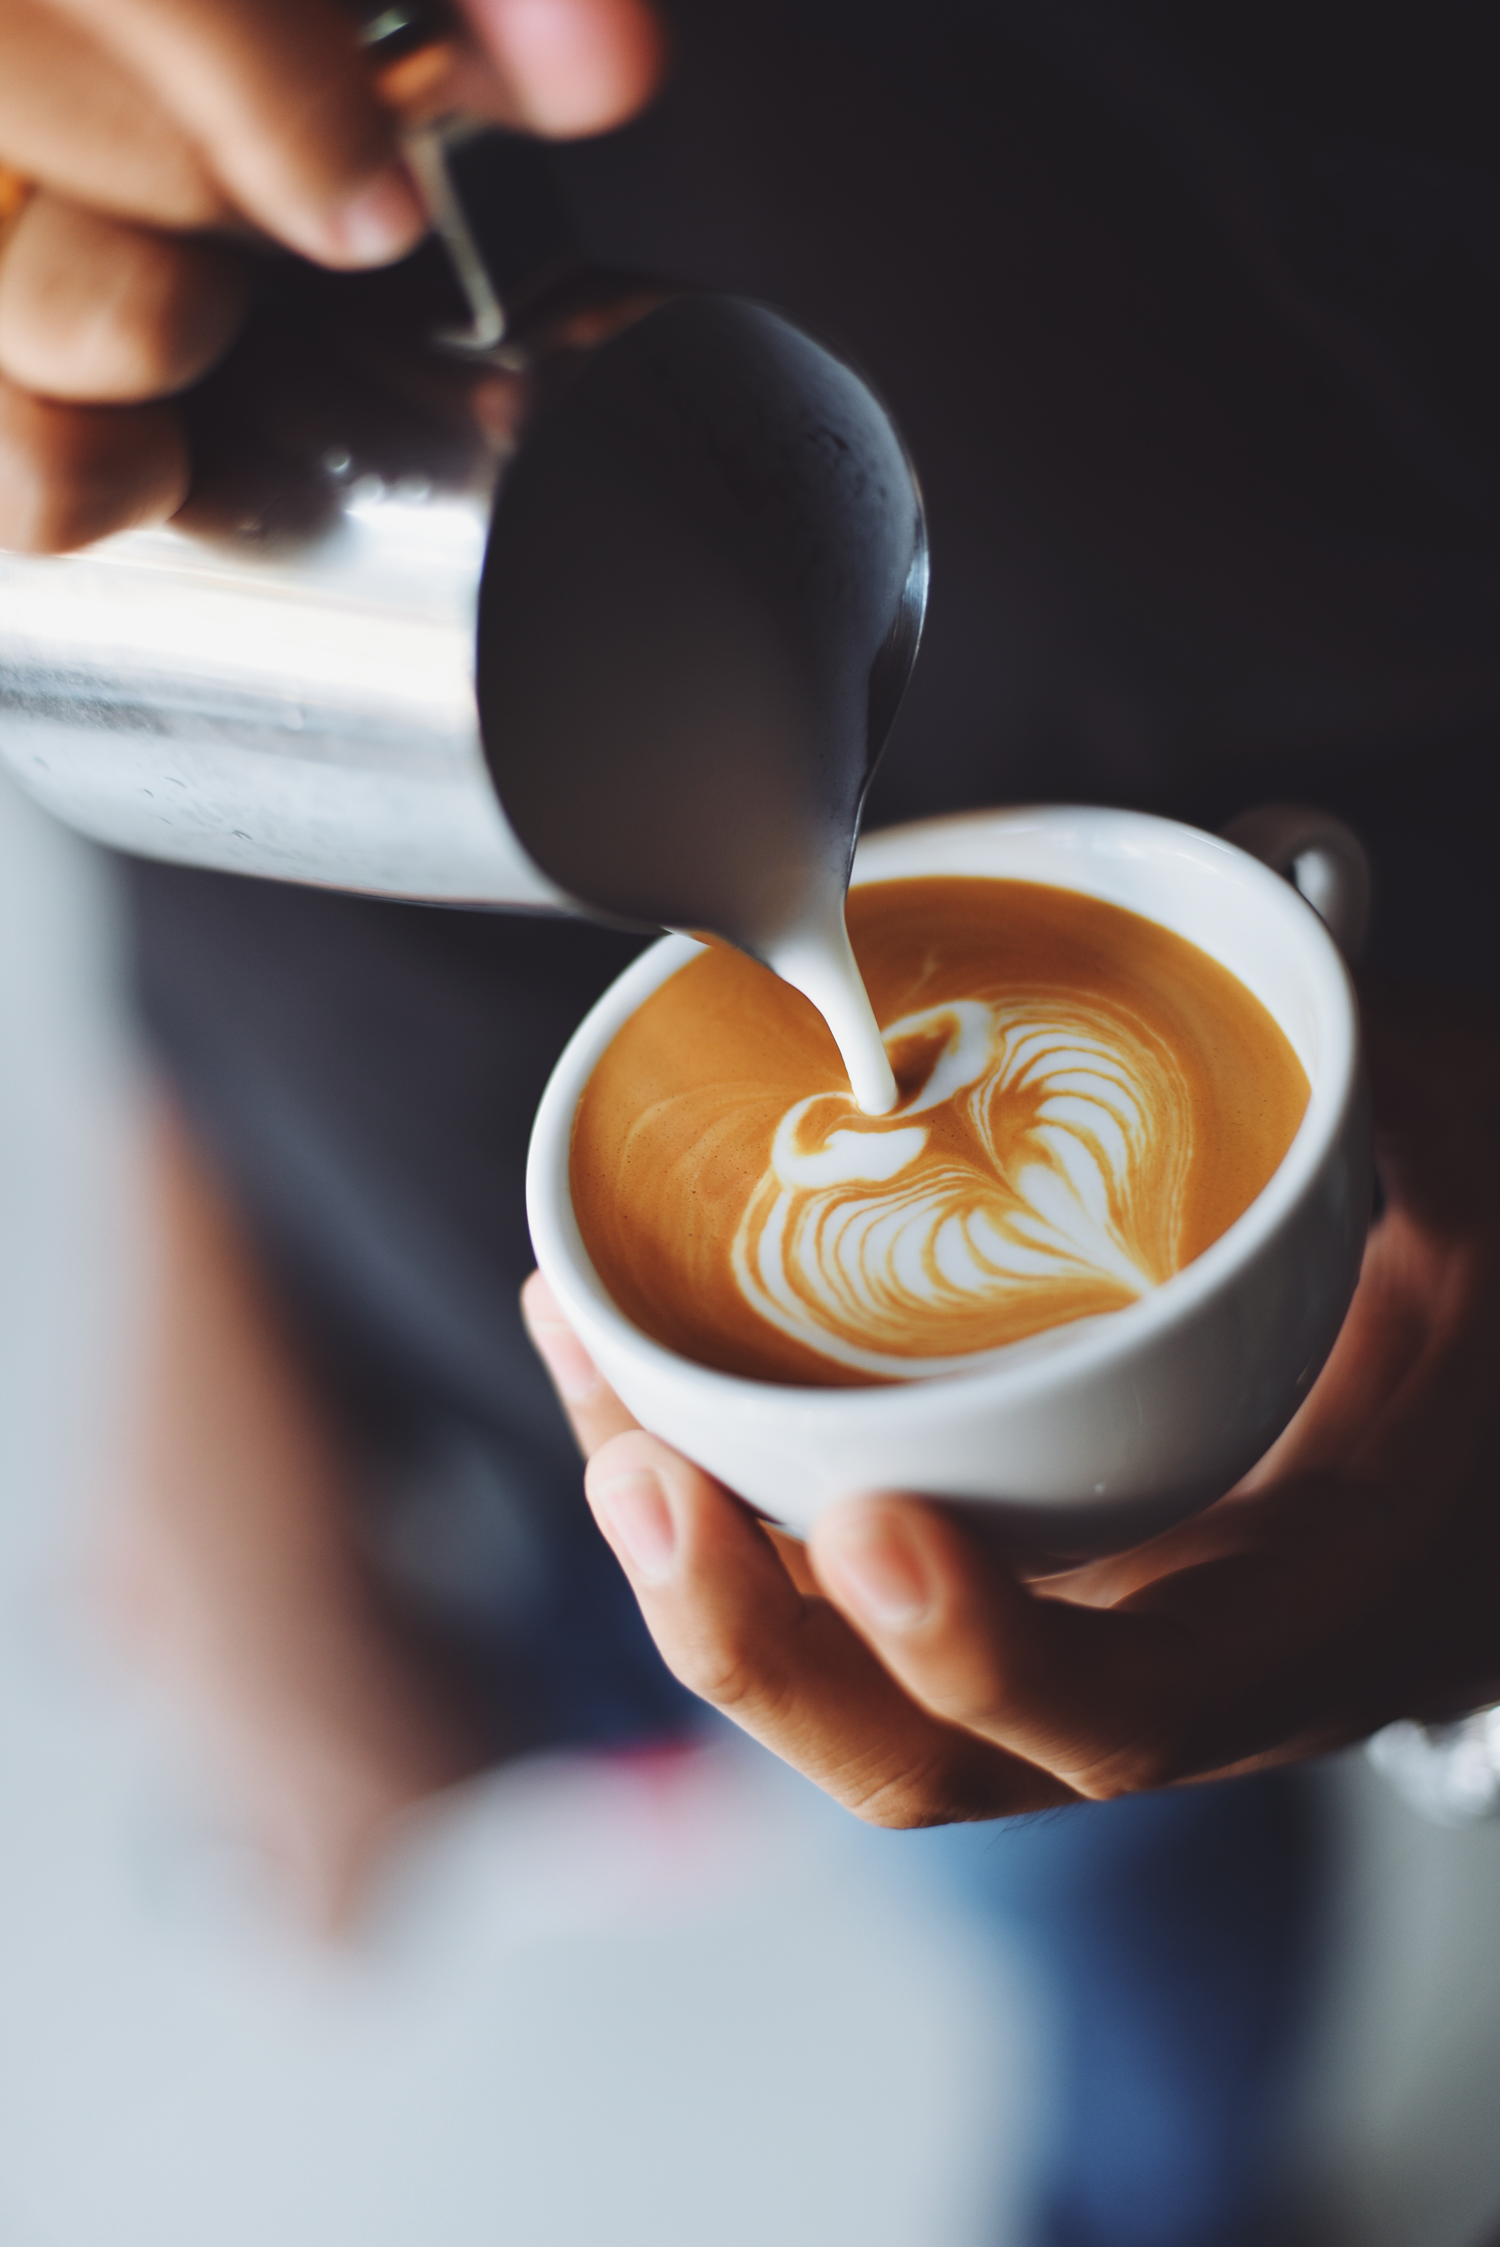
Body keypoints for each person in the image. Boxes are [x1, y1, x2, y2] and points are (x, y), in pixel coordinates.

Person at [4, 3, 1499, 2241]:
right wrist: (204, 1288)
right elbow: (147, 634)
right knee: (756, 1720)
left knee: (1114, 1905)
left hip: (1298, 1452)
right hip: (457, 1360)